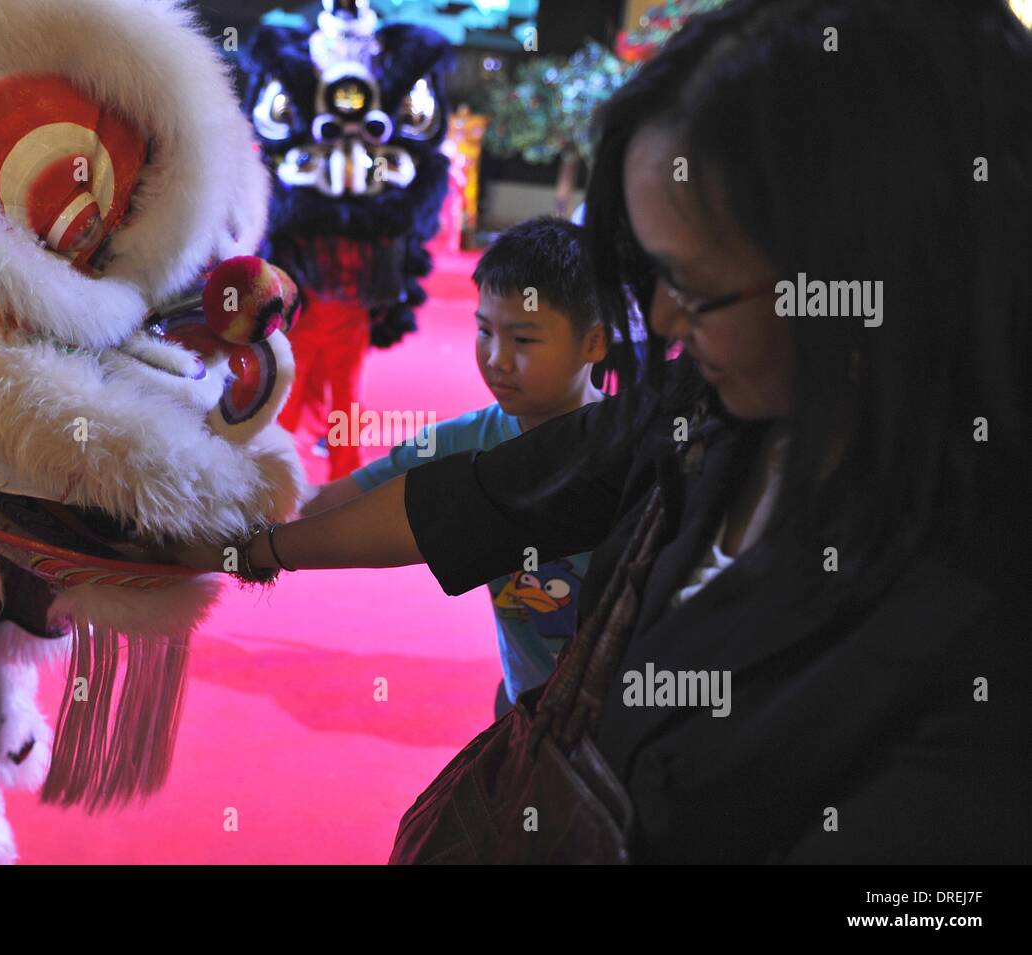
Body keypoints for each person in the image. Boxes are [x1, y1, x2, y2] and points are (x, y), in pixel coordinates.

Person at [170, 0, 1032, 863]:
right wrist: (254, 548)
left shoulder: (973, 629)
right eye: (652, 277)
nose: (660, 318)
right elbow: (492, 494)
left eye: (697, 287)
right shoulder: (705, 418)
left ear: (870, 270)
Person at [303, 217, 608, 716]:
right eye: (485, 331)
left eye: (524, 340)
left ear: (594, 342)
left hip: (617, 725)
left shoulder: (631, 445)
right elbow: (336, 501)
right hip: (522, 710)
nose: (497, 359)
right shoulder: (463, 440)